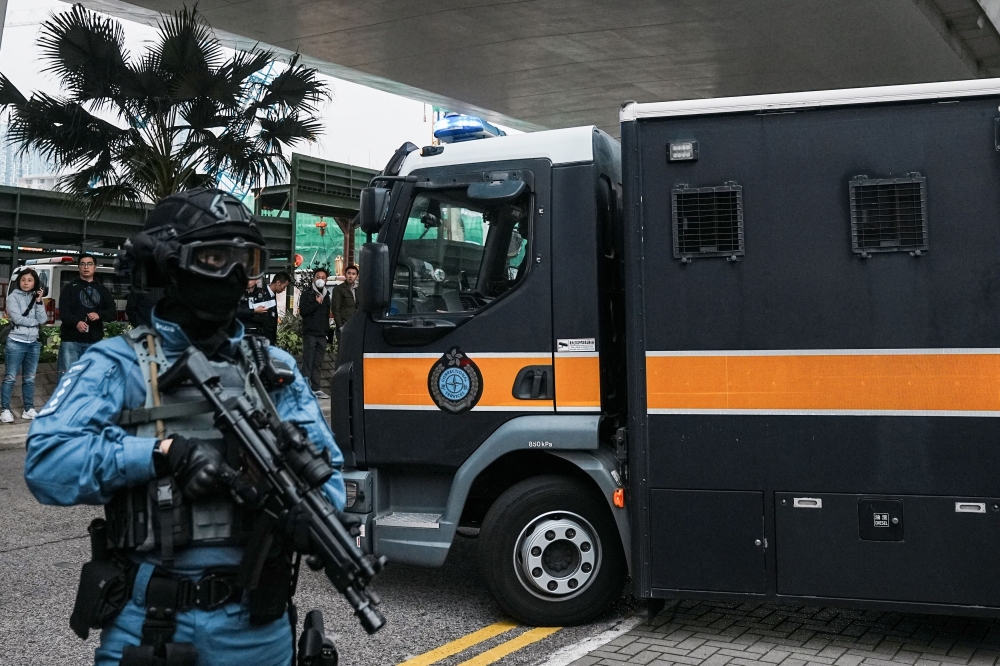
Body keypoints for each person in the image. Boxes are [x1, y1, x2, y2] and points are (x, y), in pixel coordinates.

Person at [23, 188, 345, 666]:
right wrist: (158, 454)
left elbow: (330, 476)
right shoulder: (118, 364)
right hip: (153, 620)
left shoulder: (273, 368)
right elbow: (47, 462)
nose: (235, 275)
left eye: (247, 261)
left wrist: (311, 512)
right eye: (216, 257)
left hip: (258, 627)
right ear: (170, 266)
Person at [1, 268, 48, 422]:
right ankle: (5, 410)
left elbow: (44, 318)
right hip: (16, 342)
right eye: (23, 280)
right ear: (18, 281)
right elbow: (18, 319)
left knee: (29, 379)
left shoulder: (36, 298)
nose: (26, 283)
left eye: (29, 280)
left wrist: (40, 301)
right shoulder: (12, 297)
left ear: (35, 283)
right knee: (10, 378)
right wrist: (35, 323)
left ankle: (28, 409)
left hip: (33, 343)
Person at [57, 254, 116, 374]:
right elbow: (64, 312)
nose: (86, 267)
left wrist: (99, 315)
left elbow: (112, 312)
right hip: (71, 340)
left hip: (94, 340)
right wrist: (76, 322)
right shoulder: (69, 288)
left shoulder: (102, 290)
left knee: (90, 377)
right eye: (83, 264)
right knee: (69, 377)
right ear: (79, 267)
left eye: (89, 264)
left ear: (95, 267)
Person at [299, 267, 331, 398]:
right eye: (318, 277)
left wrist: (328, 332)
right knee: (308, 361)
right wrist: (316, 304)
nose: (320, 280)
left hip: (322, 334)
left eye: (323, 278)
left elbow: (327, 315)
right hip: (310, 333)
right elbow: (303, 312)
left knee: (318, 363)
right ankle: (305, 388)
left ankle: (316, 388)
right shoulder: (307, 294)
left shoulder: (327, 295)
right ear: (313, 278)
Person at [331, 264, 359, 337]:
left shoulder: (358, 289)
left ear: (356, 276)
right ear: (345, 275)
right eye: (349, 273)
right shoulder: (339, 289)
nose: (351, 276)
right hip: (344, 323)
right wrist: (340, 326)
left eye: (353, 274)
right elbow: (335, 308)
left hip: (356, 324)